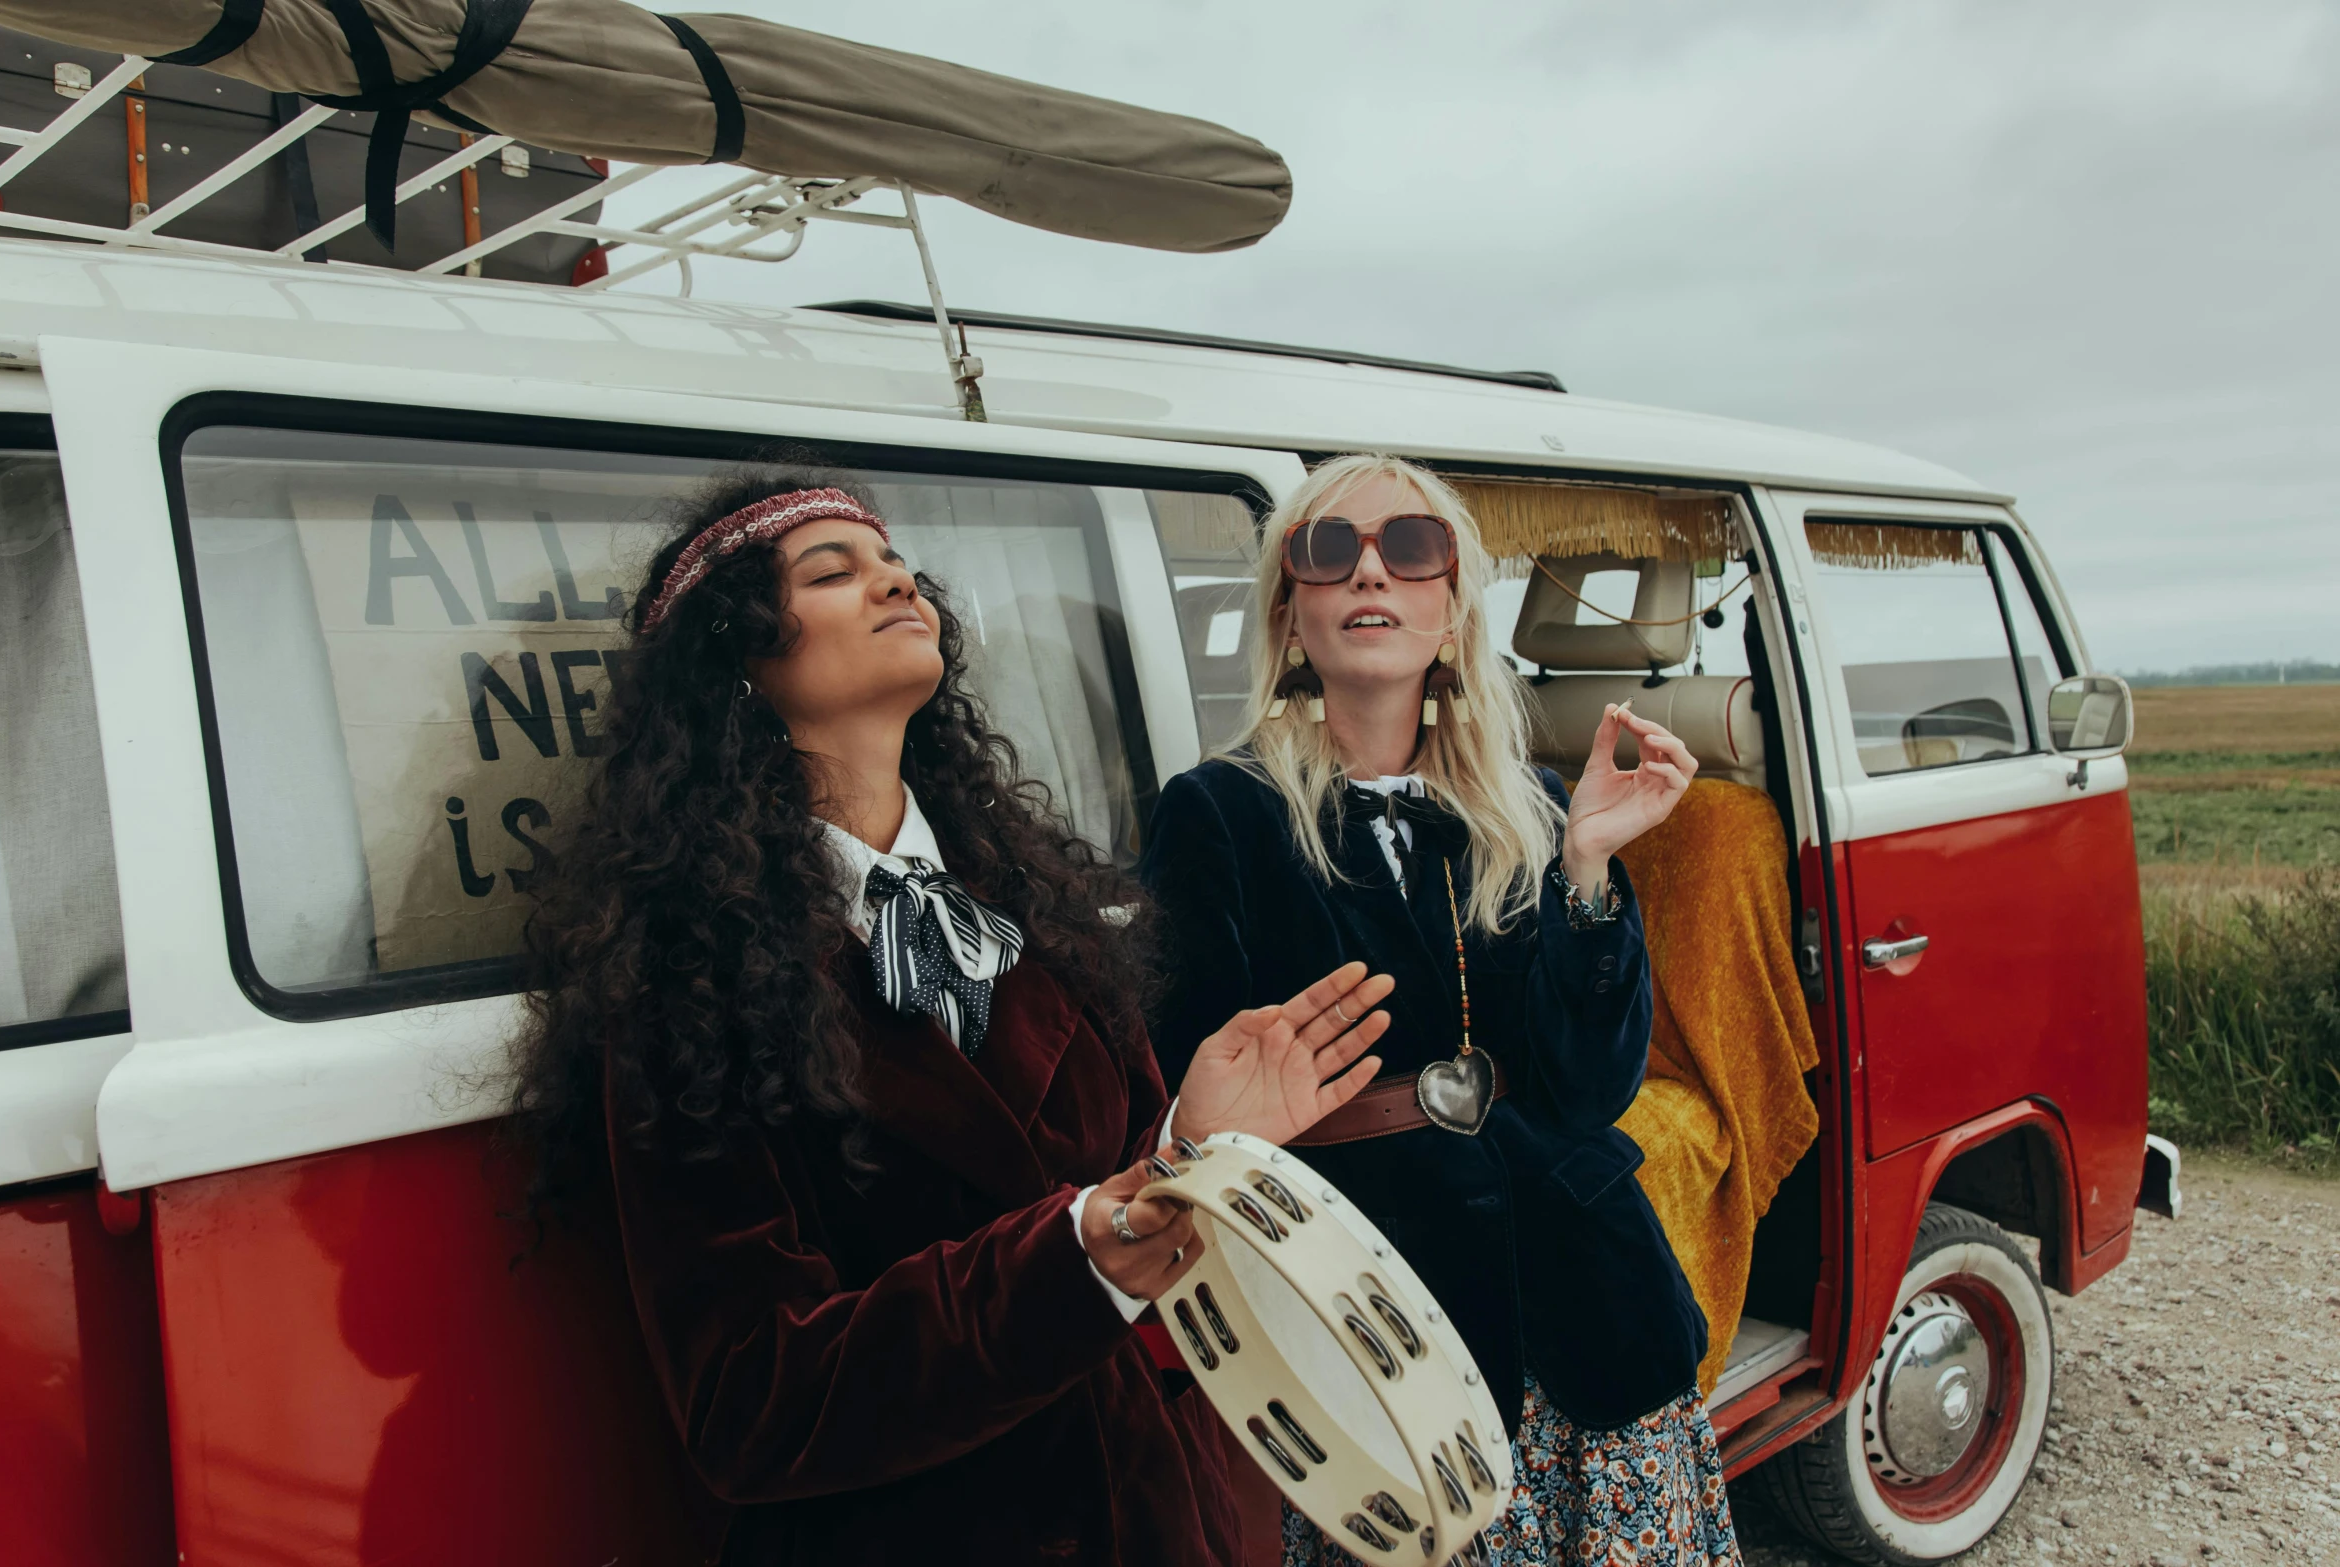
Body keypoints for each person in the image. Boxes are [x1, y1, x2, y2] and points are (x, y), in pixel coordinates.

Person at [508, 466, 1399, 1566]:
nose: (895, 583)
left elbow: (1128, 1218)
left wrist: (1194, 1148)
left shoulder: (1032, 909)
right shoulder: (685, 987)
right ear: (738, 662)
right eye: (835, 571)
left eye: (898, 565)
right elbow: (751, 1404)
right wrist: (1069, 1257)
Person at [1140, 454, 1741, 1567]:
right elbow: (1196, 1104)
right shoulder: (1217, 812)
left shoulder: (1536, 808)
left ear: (1453, 616)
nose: (1368, 568)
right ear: (1290, 614)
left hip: (1590, 1306)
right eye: (1328, 552)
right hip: (1379, 1333)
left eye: (1410, 549)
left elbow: (1588, 1087)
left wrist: (1588, 869)